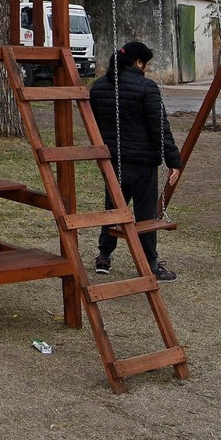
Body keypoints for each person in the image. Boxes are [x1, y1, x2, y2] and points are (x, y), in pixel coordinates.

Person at [88, 40, 183, 282]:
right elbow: (159, 127)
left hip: (112, 159)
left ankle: (103, 256)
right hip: (142, 162)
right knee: (146, 213)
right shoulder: (147, 88)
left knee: (113, 208)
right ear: (138, 62)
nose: (147, 69)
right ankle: (150, 263)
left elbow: (96, 125)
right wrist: (174, 160)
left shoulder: (98, 87)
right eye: (147, 64)